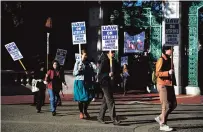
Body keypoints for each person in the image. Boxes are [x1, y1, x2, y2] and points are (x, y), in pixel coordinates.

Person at [155, 46, 177, 131]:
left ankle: (161, 117)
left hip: (169, 84)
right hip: (162, 84)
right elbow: (157, 73)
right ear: (166, 50)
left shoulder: (169, 59)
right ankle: (163, 124)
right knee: (166, 105)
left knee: (173, 104)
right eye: (171, 49)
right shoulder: (161, 59)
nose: (172, 51)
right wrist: (167, 73)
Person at [97, 51, 121, 125]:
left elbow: (117, 71)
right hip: (104, 84)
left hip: (110, 84)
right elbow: (100, 75)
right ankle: (114, 119)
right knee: (110, 101)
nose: (113, 53)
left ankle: (100, 117)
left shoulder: (113, 61)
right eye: (112, 52)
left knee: (105, 101)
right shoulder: (104, 61)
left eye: (114, 52)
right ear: (108, 53)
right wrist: (108, 74)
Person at [73, 50, 95, 119]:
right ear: (81, 55)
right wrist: (79, 70)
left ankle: (85, 110)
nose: (85, 56)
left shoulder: (89, 63)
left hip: (88, 81)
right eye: (84, 55)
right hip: (80, 82)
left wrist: (95, 68)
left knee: (89, 98)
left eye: (86, 55)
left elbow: (95, 71)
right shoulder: (78, 62)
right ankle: (81, 112)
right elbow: (74, 73)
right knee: (80, 99)